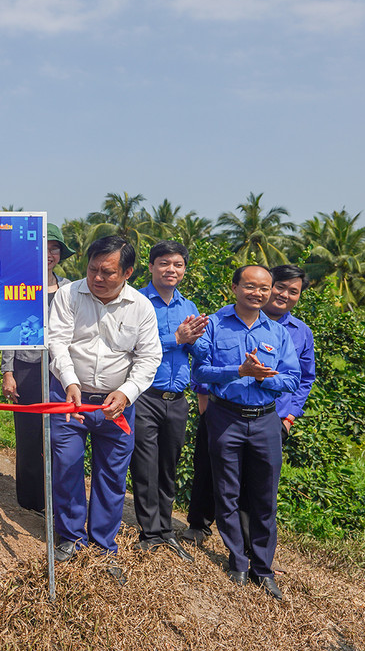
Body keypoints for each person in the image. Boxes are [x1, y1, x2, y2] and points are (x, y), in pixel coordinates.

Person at [46, 235, 162, 561]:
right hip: (69, 399)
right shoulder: (69, 295)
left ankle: (103, 547)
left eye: (107, 272)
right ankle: (70, 537)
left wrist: (126, 393)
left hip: (116, 406)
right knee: (66, 466)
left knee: (111, 476)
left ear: (127, 272)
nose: (97, 277)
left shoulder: (141, 307)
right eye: (92, 269)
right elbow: (57, 343)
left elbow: (149, 358)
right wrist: (69, 382)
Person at [191, 265, 300, 600]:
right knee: (228, 492)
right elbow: (201, 371)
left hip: (265, 420)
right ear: (235, 287)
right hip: (226, 416)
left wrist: (264, 377)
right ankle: (237, 560)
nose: (258, 293)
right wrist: (238, 370)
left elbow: (292, 379)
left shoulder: (278, 332)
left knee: (265, 495)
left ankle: (262, 569)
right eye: (250, 286)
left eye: (264, 289)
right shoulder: (214, 325)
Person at [129, 241, 209, 560]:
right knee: (145, 465)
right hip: (145, 395)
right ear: (151, 266)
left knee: (168, 466)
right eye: (164, 263)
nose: (170, 270)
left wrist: (198, 340)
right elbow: (133, 346)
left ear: (184, 269)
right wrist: (177, 338)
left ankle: (165, 529)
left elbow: (198, 353)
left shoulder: (187, 307)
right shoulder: (135, 301)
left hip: (177, 399)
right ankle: (150, 532)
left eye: (177, 264)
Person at [0, 224, 73, 512]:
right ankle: (30, 501)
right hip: (26, 366)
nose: (49, 254)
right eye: (44, 247)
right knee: (29, 433)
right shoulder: (19, 285)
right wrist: (8, 372)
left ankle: (57, 498)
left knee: (59, 435)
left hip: (59, 369)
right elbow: (9, 329)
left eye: (54, 249)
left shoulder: (69, 288)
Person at [264, 264, 316, 441]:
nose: (284, 295)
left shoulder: (302, 332)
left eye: (293, 291)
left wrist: (289, 417)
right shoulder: (238, 319)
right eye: (280, 287)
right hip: (231, 414)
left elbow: (306, 377)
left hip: (276, 419)